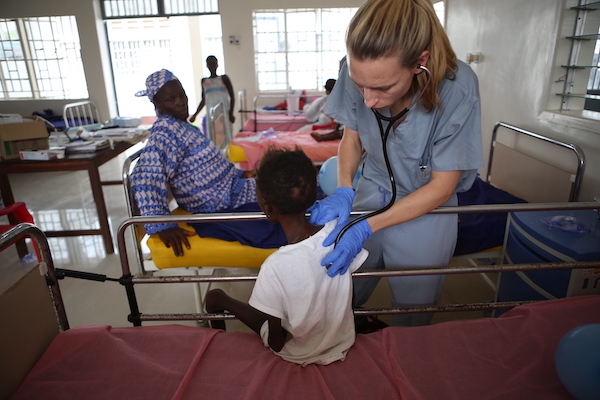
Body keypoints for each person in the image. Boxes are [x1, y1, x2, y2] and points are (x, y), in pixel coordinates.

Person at [309, 0, 484, 326]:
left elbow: (442, 186)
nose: (368, 100)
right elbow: (353, 136)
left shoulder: (457, 88)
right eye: (360, 84)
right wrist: (345, 188)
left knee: (411, 312)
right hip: (370, 190)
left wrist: (366, 227)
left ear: (421, 62)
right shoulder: (355, 68)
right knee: (343, 290)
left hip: (426, 207)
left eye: (382, 87)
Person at [205, 147, 368, 366]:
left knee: (258, 311)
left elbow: (277, 341)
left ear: (268, 209)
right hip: (342, 341)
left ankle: (219, 299)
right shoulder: (339, 235)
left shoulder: (276, 266)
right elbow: (350, 297)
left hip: (297, 353)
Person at [132, 69, 285, 256]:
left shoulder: (182, 126)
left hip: (229, 190)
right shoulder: (166, 131)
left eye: (182, 95)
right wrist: (161, 224)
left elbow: (209, 165)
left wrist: (240, 174)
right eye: (170, 100)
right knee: (290, 196)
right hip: (219, 203)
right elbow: (145, 177)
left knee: (287, 184)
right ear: (156, 104)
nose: (180, 102)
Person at [189, 56, 236, 142]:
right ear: (206, 65)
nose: (212, 65)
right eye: (209, 63)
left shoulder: (224, 78)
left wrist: (231, 113)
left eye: (213, 63)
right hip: (211, 115)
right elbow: (203, 100)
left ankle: (227, 155)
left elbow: (232, 96)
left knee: (226, 136)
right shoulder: (204, 81)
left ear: (217, 64)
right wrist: (195, 115)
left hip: (224, 113)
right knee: (213, 136)